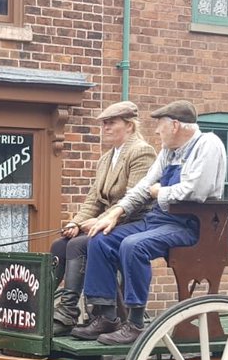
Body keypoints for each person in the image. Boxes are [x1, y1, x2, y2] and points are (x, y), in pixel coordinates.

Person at [71, 100, 228, 345]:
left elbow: (196, 190)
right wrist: (115, 212)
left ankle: (135, 323)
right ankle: (107, 315)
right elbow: (144, 186)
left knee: (133, 245)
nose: (156, 131)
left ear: (175, 125)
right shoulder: (168, 152)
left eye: (160, 126)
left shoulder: (208, 145)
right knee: (100, 239)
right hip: (158, 220)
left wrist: (159, 193)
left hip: (191, 225)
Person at [49, 101, 157, 336]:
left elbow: (134, 198)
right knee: (60, 244)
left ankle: (76, 313)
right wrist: (75, 223)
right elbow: (93, 201)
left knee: (79, 245)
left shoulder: (142, 152)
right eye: (103, 124)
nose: (105, 128)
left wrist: (102, 220)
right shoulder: (106, 159)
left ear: (129, 126)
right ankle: (49, 309)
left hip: (134, 224)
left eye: (111, 123)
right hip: (108, 222)